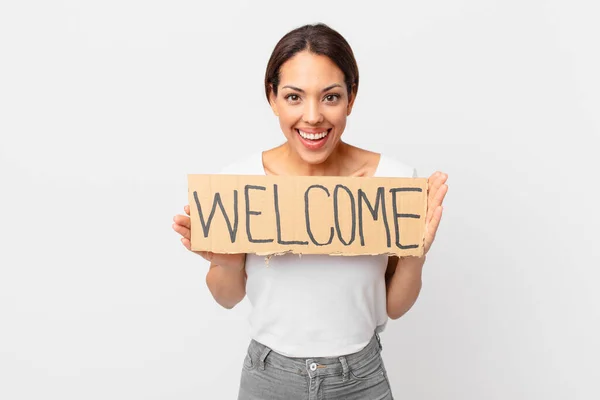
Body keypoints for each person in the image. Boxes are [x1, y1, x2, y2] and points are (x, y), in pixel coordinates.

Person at [172, 23, 448, 400]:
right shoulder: (241, 181)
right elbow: (227, 297)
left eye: (330, 97)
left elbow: (394, 307)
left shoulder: (392, 180)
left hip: (360, 378)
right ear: (272, 97)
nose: (313, 116)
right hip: (269, 376)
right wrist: (227, 263)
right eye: (294, 97)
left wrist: (416, 256)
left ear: (351, 97)